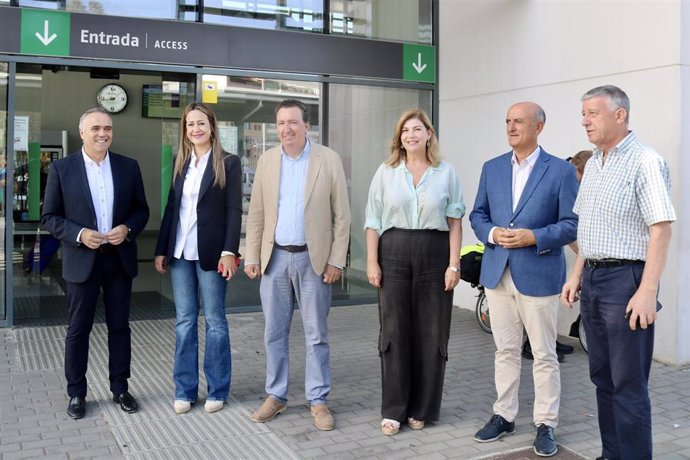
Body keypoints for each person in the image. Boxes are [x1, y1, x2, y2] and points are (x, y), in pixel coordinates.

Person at [561, 85, 675, 460]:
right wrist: (577, 274)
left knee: (628, 385)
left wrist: (646, 290)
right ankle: (612, 455)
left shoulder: (645, 161)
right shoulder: (593, 162)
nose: (584, 121)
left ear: (620, 115)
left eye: (592, 113)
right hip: (593, 280)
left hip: (626, 283)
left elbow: (660, 228)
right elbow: (588, 227)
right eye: (584, 114)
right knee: (603, 380)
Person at [469, 102, 578, 457]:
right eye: (508, 121)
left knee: (544, 354)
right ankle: (504, 415)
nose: (511, 127)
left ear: (539, 126)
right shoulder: (492, 168)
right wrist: (492, 233)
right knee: (505, 351)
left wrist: (534, 237)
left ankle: (546, 423)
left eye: (519, 121)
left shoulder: (560, 171)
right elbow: (478, 214)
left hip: (539, 273)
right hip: (498, 274)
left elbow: (571, 224)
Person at [244, 99, 351, 431]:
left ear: (307, 126)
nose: (286, 129)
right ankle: (276, 396)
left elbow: (342, 216)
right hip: (275, 258)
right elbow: (258, 212)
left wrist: (336, 260)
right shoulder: (266, 161)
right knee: (274, 333)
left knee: (316, 334)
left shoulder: (327, 159)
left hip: (313, 260)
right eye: (280, 123)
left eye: (292, 122)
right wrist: (251, 255)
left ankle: (318, 400)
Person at [40, 107, 149, 419]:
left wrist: (127, 229)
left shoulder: (129, 167)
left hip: (118, 261)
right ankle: (76, 393)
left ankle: (120, 388)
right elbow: (49, 217)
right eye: (96, 128)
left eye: (108, 128)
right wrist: (79, 234)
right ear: (82, 132)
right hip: (81, 261)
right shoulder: (63, 169)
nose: (103, 134)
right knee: (78, 329)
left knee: (120, 328)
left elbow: (142, 211)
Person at [364, 109, 465, 436]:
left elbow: (454, 222)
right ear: (400, 137)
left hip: (434, 254)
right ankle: (394, 409)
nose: (411, 135)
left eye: (417, 129)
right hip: (392, 252)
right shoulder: (386, 171)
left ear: (429, 134)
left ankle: (422, 408)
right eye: (406, 130)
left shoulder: (446, 172)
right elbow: (372, 221)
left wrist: (454, 264)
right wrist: (371, 261)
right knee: (393, 331)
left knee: (432, 331)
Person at [154, 102, 243, 415]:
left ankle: (218, 389)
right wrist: (162, 249)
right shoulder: (181, 161)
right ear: (185, 129)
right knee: (184, 322)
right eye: (190, 124)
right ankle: (185, 389)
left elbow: (234, 210)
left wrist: (230, 251)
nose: (196, 129)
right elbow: (171, 209)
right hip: (180, 253)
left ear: (212, 126)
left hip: (211, 254)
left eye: (201, 123)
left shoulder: (228, 163)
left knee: (215, 322)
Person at [522, 149, 593, 360]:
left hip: (551, 248)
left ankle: (550, 341)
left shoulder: (569, 171)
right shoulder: (561, 175)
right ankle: (530, 346)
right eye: (582, 179)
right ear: (576, 170)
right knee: (535, 302)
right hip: (536, 248)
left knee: (551, 300)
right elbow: (565, 229)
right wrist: (584, 253)